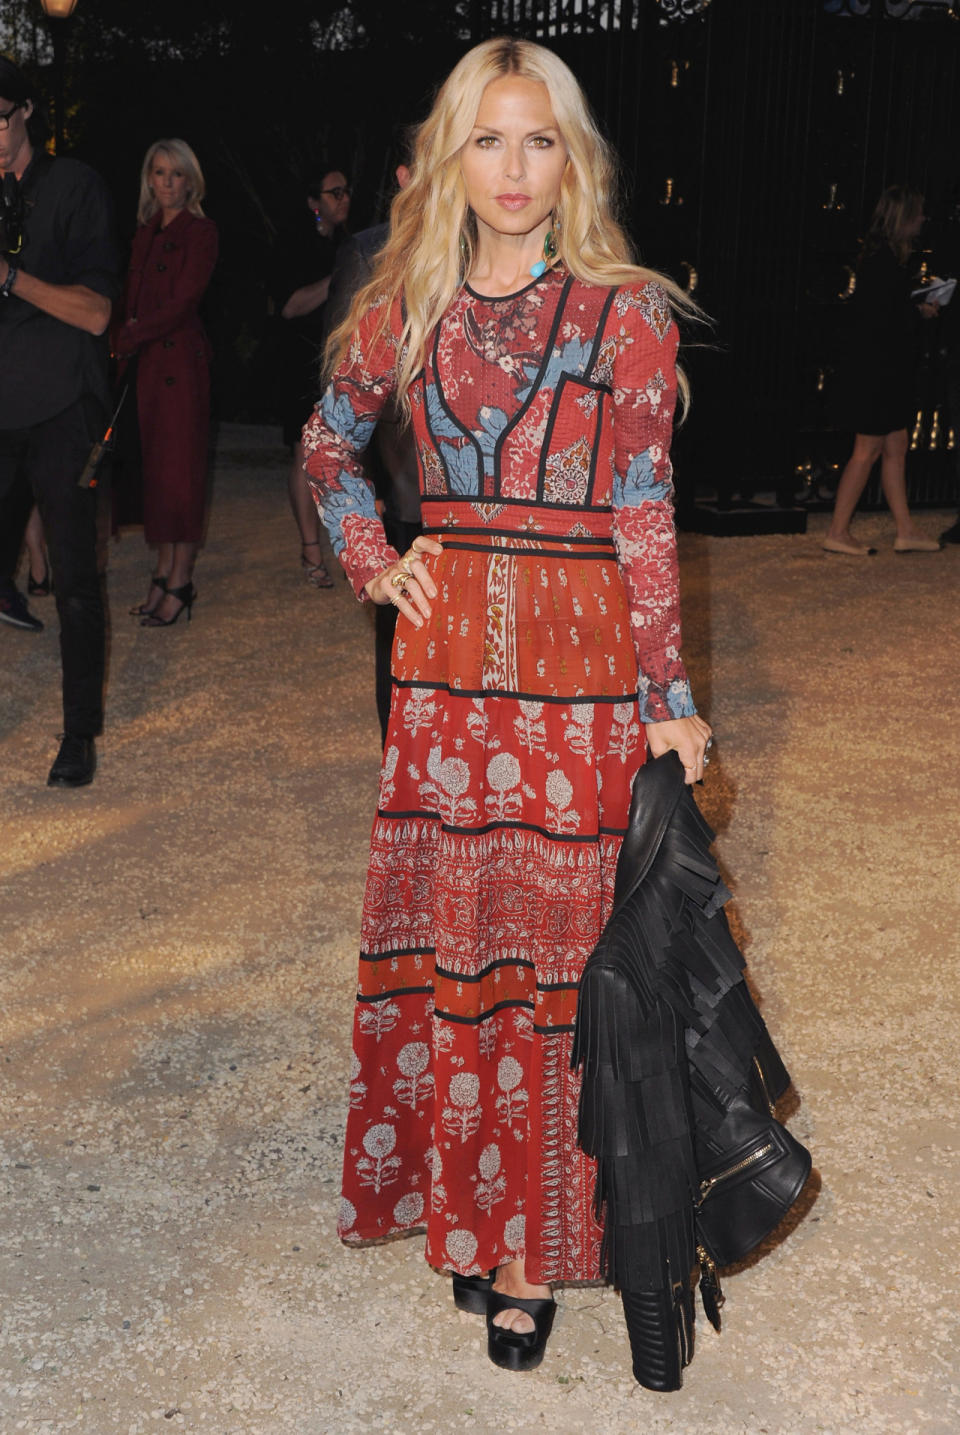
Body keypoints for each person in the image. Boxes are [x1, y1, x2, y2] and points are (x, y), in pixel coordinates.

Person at [303, 37, 711, 1373]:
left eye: (541, 141)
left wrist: (672, 696)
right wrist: (377, 559)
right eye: (492, 139)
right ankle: (470, 1217)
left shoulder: (623, 311)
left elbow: (645, 511)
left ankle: (533, 1245)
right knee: (459, 959)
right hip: (444, 691)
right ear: (450, 157)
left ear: (570, 157)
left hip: (582, 683)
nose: (518, 168)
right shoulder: (403, 303)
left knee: (558, 970)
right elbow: (324, 444)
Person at [0, 56, 119, 787]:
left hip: (61, 410)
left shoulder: (75, 187)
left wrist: (10, 277)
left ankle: (79, 734)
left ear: (23, 115)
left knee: (75, 581)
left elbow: (98, 311)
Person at [323, 147, 419, 743]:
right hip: (406, 488)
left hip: (497, 505)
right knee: (403, 652)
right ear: (405, 177)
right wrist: (364, 496)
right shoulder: (370, 252)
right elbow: (340, 386)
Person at [116, 139, 218, 626]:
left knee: (180, 476)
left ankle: (180, 580)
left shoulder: (201, 231)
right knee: (156, 475)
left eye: (176, 174)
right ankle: (161, 572)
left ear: (190, 180)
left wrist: (130, 335)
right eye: (159, 173)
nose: (168, 182)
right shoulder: (145, 231)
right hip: (147, 366)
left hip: (179, 364)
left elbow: (182, 303)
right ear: (148, 179)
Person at [824, 185, 942, 556]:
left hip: (882, 369)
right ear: (903, 219)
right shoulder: (884, 262)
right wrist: (919, 312)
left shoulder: (882, 258)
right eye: (917, 213)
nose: (923, 219)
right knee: (868, 449)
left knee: (895, 446)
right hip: (878, 372)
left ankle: (905, 529)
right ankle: (838, 531)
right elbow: (884, 319)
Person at [275, 164, 350, 589]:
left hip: (336, 362)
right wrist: (337, 277)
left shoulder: (345, 241)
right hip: (300, 362)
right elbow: (289, 306)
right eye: (334, 192)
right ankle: (310, 548)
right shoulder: (294, 244)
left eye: (346, 191)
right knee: (304, 454)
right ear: (313, 202)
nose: (343, 198)